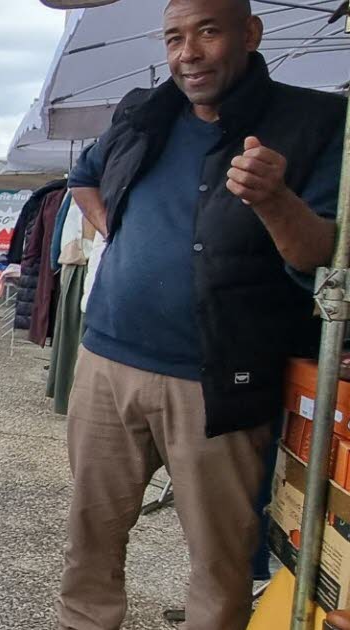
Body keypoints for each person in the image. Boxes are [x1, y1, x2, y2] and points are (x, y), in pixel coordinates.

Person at [56, 0, 345, 628]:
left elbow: (324, 255)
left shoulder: (317, 120)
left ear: (251, 33)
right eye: (174, 38)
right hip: (107, 361)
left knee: (220, 559)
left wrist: (274, 199)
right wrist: (119, 232)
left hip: (219, 378)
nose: (188, 53)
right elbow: (83, 177)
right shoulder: (142, 110)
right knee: (90, 534)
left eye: (208, 32)